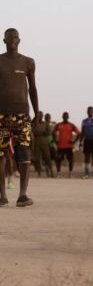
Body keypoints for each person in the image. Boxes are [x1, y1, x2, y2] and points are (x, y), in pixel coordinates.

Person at [0, 28, 39, 207]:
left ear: (19, 40)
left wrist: (37, 112)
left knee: (24, 153)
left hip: (22, 114)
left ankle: (22, 195)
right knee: (0, 155)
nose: (13, 40)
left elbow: (32, 88)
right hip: (1, 114)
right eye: (9, 38)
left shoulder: (28, 62)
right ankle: (2, 196)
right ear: (4, 41)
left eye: (15, 37)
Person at [54, 112, 80, 177]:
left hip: (69, 146)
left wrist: (74, 142)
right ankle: (58, 173)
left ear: (68, 117)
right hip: (60, 146)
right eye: (64, 116)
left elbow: (79, 133)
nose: (65, 117)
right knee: (58, 159)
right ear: (62, 117)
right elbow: (53, 132)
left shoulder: (71, 125)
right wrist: (55, 141)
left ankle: (70, 173)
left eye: (66, 116)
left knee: (70, 160)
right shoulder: (59, 125)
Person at [77, 106, 93, 178]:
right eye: (89, 111)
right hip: (86, 140)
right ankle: (86, 174)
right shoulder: (84, 121)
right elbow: (82, 132)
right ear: (87, 112)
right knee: (86, 157)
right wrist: (80, 142)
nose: (90, 112)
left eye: (91, 111)